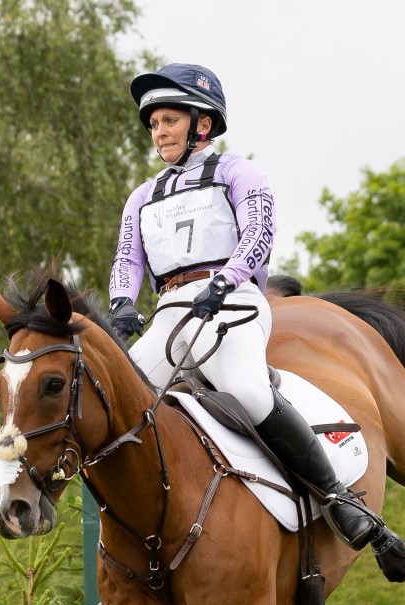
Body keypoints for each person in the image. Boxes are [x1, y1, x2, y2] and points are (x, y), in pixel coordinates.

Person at [106, 64, 380, 550]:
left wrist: (225, 282)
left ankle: (339, 499)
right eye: (153, 125)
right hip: (170, 314)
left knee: (248, 392)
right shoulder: (142, 196)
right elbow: (128, 256)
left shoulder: (239, 171)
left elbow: (258, 235)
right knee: (116, 405)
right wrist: (122, 303)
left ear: (202, 124)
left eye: (169, 120)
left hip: (230, 304)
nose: (159, 133)